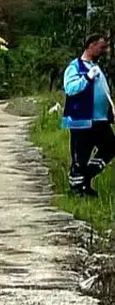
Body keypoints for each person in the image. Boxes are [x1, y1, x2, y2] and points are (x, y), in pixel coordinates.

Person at [62, 33, 114, 198]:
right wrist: (87, 77)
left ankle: (86, 177)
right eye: (100, 47)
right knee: (81, 155)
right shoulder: (75, 67)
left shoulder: (96, 66)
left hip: (99, 119)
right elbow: (70, 89)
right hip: (81, 120)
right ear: (90, 46)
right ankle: (78, 188)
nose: (103, 50)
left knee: (110, 147)